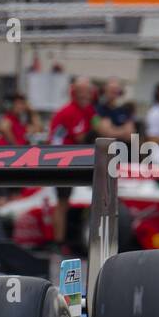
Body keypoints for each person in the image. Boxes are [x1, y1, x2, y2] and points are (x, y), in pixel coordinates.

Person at [47, 76, 97, 243]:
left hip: (76, 159)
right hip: (61, 161)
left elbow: (98, 124)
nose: (85, 95)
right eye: (81, 92)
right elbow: (81, 137)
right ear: (74, 93)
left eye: (87, 92)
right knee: (62, 203)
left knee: (69, 202)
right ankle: (58, 242)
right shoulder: (69, 112)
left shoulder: (87, 110)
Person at [93, 77, 135, 143]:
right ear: (105, 90)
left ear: (119, 92)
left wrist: (113, 130)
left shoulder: (125, 110)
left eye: (115, 90)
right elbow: (106, 133)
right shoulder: (96, 110)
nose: (113, 92)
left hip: (123, 150)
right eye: (111, 89)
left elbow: (130, 134)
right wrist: (123, 130)